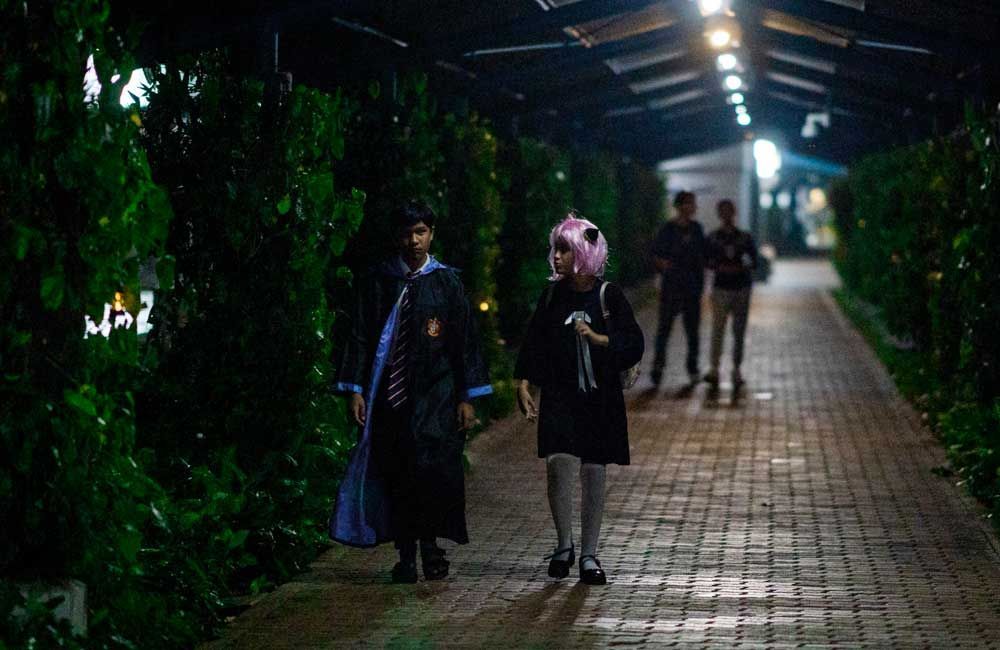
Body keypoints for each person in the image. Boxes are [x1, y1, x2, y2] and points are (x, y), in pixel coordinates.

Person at [331, 201, 493, 583]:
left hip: (437, 393)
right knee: (398, 470)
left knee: (433, 470)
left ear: (431, 234)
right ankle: (405, 554)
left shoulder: (446, 283)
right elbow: (360, 335)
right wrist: (355, 390)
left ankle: (431, 548)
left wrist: (466, 397)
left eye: (420, 232)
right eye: (407, 233)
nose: (414, 241)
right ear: (396, 237)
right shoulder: (379, 281)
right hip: (392, 394)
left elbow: (464, 342)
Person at [515, 214, 644, 585]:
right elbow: (535, 341)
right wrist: (524, 382)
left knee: (593, 470)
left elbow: (633, 342)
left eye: (565, 250)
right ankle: (563, 544)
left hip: (599, 398)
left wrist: (600, 339)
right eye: (555, 249)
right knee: (558, 462)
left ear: (585, 252)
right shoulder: (552, 295)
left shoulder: (608, 295)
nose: (556, 257)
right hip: (560, 393)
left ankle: (589, 554)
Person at [650, 191, 707, 390]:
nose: (692, 207)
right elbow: (655, 254)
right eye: (688, 203)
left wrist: (700, 284)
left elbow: (702, 256)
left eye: (693, 203)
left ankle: (693, 368)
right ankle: (658, 367)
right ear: (679, 206)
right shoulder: (667, 229)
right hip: (672, 287)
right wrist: (663, 265)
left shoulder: (697, 229)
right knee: (664, 329)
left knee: (693, 331)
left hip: (691, 287)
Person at [704, 199, 757, 391]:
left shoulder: (744, 237)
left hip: (741, 288)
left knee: (739, 331)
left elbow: (754, 261)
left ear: (734, 213)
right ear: (720, 214)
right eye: (723, 211)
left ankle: (737, 369)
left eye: (729, 211)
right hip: (721, 288)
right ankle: (714, 369)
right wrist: (720, 267)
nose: (727, 214)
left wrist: (741, 267)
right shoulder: (713, 238)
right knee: (717, 329)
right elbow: (706, 261)